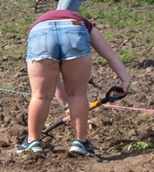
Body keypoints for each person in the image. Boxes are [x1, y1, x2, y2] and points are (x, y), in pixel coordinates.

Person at [19, 9, 131, 157]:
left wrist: (66, 105)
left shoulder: (38, 23)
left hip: (40, 33)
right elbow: (108, 53)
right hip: (74, 30)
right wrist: (125, 79)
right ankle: (80, 143)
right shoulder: (86, 24)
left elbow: (54, 80)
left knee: (40, 96)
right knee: (77, 94)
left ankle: (33, 142)